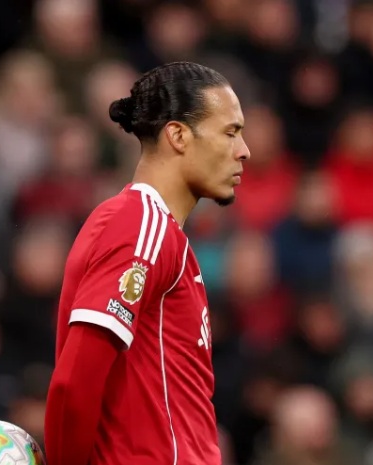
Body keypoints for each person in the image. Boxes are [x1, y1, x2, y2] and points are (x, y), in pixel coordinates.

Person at [44, 61, 250, 465]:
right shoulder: (140, 223)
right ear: (178, 135)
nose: (244, 150)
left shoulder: (164, 236)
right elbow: (74, 382)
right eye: (230, 132)